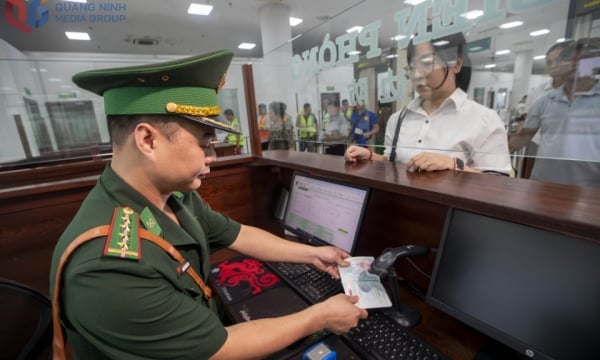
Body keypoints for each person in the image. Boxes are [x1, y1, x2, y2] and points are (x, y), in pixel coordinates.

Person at [49, 50, 367, 360]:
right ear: (147, 140)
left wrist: (313, 254)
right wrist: (321, 316)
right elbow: (219, 349)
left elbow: (237, 234)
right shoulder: (108, 267)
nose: (212, 156)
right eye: (203, 143)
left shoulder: (174, 196)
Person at [345, 31, 511, 175]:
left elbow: (499, 185)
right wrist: (371, 157)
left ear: (457, 64)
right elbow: (394, 164)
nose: (417, 74)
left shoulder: (484, 119)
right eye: (411, 67)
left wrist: (452, 164)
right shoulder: (399, 118)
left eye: (426, 63)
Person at [508, 38, 600, 187]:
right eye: (571, 60)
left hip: (588, 189)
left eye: (584, 60)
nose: (575, 65)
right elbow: (521, 138)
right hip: (543, 185)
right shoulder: (545, 101)